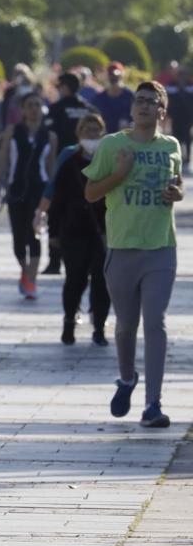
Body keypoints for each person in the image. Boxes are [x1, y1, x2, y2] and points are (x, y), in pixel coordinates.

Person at [84, 81, 184, 428]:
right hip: (122, 249)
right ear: (131, 109)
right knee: (126, 327)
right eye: (138, 100)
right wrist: (119, 174)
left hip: (161, 248)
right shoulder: (114, 145)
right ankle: (127, 379)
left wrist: (176, 193)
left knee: (155, 323)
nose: (143, 106)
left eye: (151, 102)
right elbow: (91, 193)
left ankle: (153, 404)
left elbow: (177, 182)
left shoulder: (171, 145)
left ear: (162, 112)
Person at [36, 113, 110, 346]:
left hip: (103, 231)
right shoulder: (69, 159)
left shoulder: (110, 160)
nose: (92, 134)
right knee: (75, 279)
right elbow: (57, 196)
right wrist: (54, 232)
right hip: (73, 230)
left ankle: (99, 328)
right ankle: (69, 321)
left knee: (101, 281)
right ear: (79, 133)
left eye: (96, 130)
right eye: (87, 130)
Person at [0, 90, 56, 300]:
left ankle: (31, 280)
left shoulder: (50, 136)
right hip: (16, 191)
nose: (34, 109)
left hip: (38, 192)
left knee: (35, 236)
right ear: (23, 110)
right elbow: (2, 163)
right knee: (18, 238)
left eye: (37, 104)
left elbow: (51, 171)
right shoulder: (12, 131)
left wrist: (54, 198)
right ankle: (25, 271)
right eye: (30, 105)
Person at [41, 72, 99, 276]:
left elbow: (48, 138)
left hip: (65, 164)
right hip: (91, 166)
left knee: (57, 212)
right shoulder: (89, 109)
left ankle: (54, 261)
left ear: (64, 87)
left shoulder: (55, 109)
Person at [93, 62, 135, 134]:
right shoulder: (99, 98)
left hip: (126, 138)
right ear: (107, 76)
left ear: (121, 76)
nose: (113, 78)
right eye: (111, 75)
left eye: (116, 76)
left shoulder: (130, 97)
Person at [165, 66, 193, 171]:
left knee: (188, 138)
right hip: (175, 118)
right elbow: (168, 102)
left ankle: (188, 160)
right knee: (176, 138)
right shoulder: (171, 86)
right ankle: (178, 158)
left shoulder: (190, 86)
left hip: (188, 118)